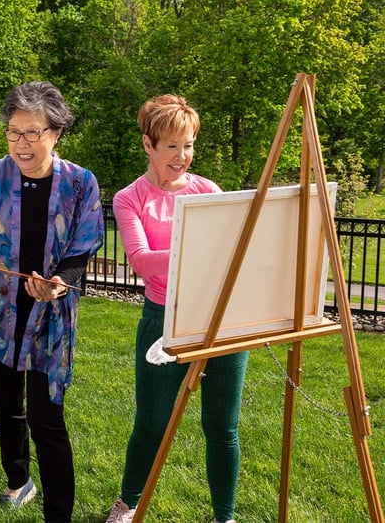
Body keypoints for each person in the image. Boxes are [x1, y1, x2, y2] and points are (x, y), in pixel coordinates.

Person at [0, 81, 104, 522]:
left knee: (46, 420)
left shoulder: (80, 184)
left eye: (33, 133)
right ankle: (18, 481)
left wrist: (61, 282)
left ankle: (59, 515)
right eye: (14, 132)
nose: (21, 143)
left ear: (55, 133)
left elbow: (81, 249)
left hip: (49, 316)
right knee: (4, 405)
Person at [106, 94, 247, 523]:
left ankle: (225, 516)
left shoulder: (208, 191)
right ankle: (127, 503)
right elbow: (141, 260)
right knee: (151, 422)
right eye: (172, 146)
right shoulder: (130, 198)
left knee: (222, 428)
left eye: (188, 146)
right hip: (162, 320)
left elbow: (232, 252)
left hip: (218, 323)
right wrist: (199, 245)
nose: (182, 156)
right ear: (149, 145)